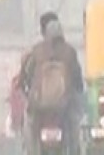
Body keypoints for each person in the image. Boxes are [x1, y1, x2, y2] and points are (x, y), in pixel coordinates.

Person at [19, 11, 84, 153]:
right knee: (75, 124)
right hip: (64, 107)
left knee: (29, 126)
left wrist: (27, 92)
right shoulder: (69, 52)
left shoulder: (36, 51)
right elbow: (78, 80)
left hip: (39, 108)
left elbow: (24, 77)